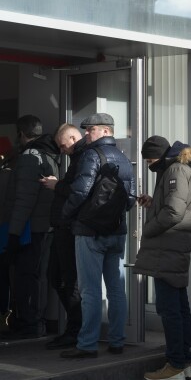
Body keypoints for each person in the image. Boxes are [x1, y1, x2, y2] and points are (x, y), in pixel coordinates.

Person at [135, 136, 191, 380]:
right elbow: (173, 206)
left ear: (158, 155)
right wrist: (152, 203)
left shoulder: (176, 169)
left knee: (170, 309)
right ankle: (184, 362)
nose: (148, 164)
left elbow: (173, 212)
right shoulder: (182, 168)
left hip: (167, 247)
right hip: (174, 246)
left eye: (149, 159)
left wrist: (147, 229)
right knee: (178, 307)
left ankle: (176, 365)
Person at [60, 113, 135, 358]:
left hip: (89, 232)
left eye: (90, 129)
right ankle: (117, 341)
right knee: (115, 290)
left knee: (90, 291)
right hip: (117, 232)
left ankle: (87, 345)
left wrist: (67, 216)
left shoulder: (92, 155)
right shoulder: (124, 158)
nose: (87, 134)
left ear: (105, 131)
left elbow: (80, 192)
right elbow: (131, 198)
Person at [0, 115, 59, 340]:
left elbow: (23, 200)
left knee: (27, 276)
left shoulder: (29, 157)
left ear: (21, 134)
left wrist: (13, 234)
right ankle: (35, 321)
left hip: (30, 229)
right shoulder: (51, 154)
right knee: (38, 276)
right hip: (45, 227)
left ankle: (28, 323)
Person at [39, 124, 86, 349]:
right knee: (57, 277)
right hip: (62, 227)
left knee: (67, 280)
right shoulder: (77, 158)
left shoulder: (84, 158)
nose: (62, 150)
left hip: (68, 228)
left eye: (63, 145)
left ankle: (76, 329)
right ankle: (75, 328)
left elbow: (78, 192)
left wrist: (56, 185)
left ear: (73, 137)